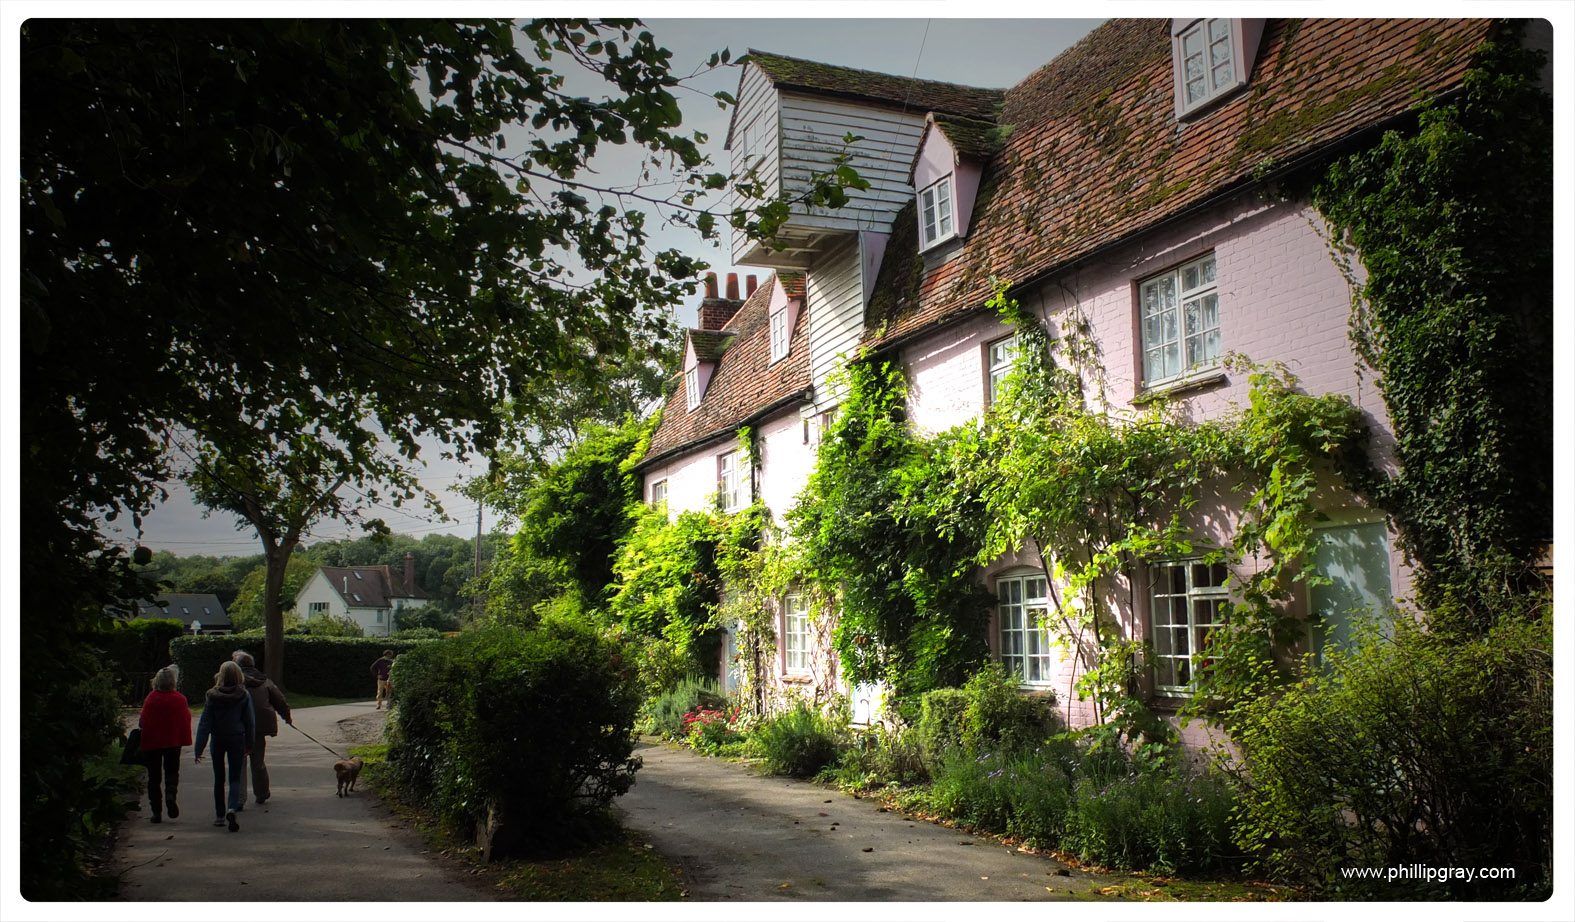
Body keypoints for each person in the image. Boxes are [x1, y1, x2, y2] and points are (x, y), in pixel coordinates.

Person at [194, 660, 255, 832]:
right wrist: (250, 744)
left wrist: (199, 748)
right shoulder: (243, 695)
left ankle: (219, 815)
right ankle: (232, 808)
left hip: (218, 738)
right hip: (237, 738)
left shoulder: (212, 695)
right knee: (235, 777)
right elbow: (249, 722)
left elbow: (205, 723)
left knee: (219, 777)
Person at [231, 650, 291, 807]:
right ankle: (262, 793)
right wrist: (287, 717)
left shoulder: (233, 681)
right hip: (258, 728)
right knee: (258, 762)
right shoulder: (264, 681)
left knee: (239, 764)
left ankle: (239, 799)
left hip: (238, 727)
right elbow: (279, 700)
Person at [137, 665, 192, 824]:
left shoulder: (151, 699)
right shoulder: (179, 699)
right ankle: (170, 794)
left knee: (154, 777)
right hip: (173, 741)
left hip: (152, 742)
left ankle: (156, 812)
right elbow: (185, 719)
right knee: (172, 771)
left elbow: (142, 722)